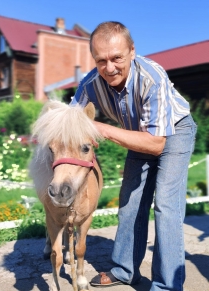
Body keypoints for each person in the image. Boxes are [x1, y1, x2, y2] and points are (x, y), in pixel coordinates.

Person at [71, 21, 197, 291]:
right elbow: (69, 122)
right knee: (129, 205)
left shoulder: (152, 76)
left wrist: (101, 128)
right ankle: (125, 271)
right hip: (139, 134)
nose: (109, 68)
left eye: (117, 58)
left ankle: (167, 285)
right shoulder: (89, 84)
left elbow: (155, 144)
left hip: (174, 133)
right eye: (101, 60)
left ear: (131, 51)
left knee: (166, 206)